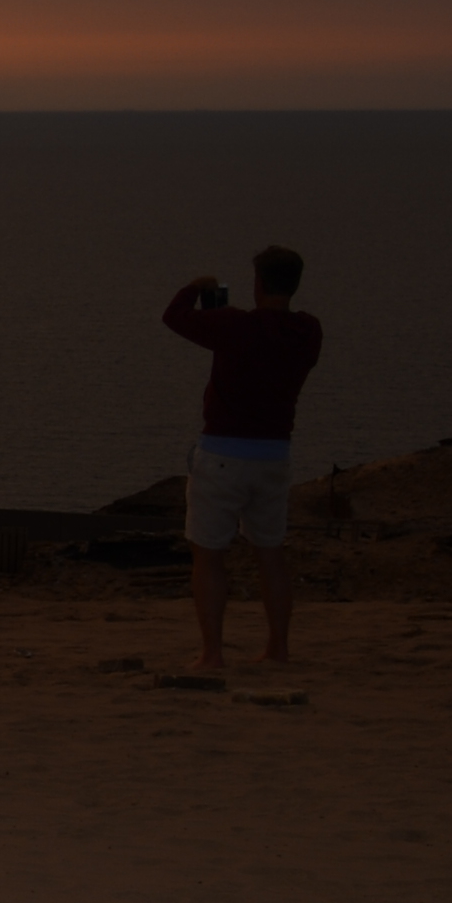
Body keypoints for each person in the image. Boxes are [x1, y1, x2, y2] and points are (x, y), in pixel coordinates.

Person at [164, 247, 322, 672]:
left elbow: (174, 317)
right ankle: (278, 647)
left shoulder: (235, 326)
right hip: (274, 455)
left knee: (209, 555)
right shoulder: (308, 331)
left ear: (258, 283)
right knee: (270, 554)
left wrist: (195, 289)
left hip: (222, 454)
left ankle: (212, 652)